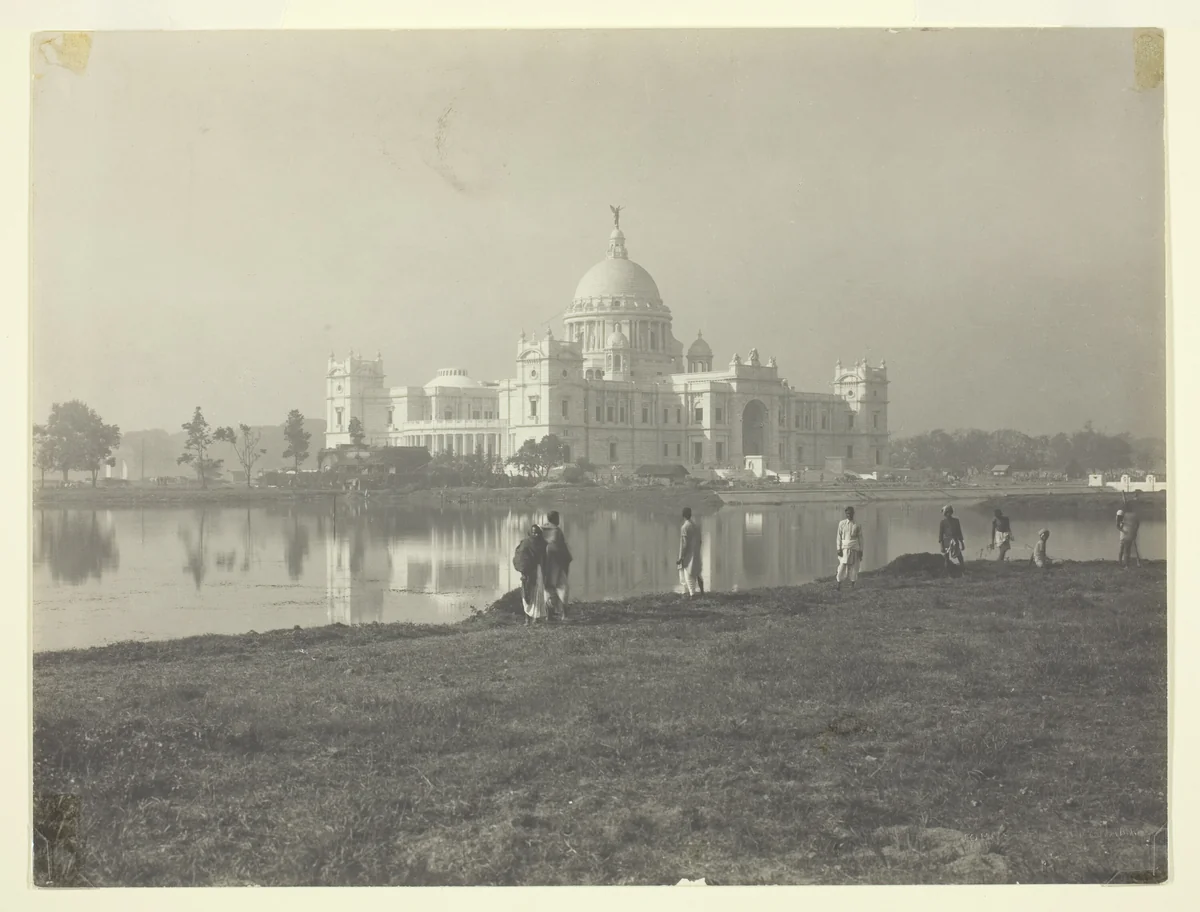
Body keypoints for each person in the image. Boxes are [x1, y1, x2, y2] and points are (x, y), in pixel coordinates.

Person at [512, 524, 548, 625]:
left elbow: (546, 558)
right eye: (533, 533)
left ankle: (535, 618)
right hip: (528, 572)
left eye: (537, 533)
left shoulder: (543, 544)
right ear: (530, 533)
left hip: (538, 571)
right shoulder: (525, 543)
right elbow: (520, 558)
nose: (535, 535)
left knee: (537, 594)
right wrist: (523, 571)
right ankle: (527, 619)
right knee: (526, 595)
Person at [541, 510, 572, 620]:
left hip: (545, 565)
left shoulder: (542, 530)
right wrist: (567, 559)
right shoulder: (557, 531)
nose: (559, 520)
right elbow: (561, 548)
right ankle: (564, 614)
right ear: (554, 519)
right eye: (558, 518)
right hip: (558, 563)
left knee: (548, 588)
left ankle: (549, 615)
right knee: (563, 588)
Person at [677, 507, 704, 596]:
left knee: (687, 574)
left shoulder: (684, 527)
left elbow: (684, 544)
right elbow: (700, 541)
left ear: (683, 516)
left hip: (688, 554)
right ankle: (702, 592)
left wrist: (681, 557)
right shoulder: (696, 526)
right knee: (697, 572)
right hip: (696, 552)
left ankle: (692, 594)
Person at [835, 505, 864, 591]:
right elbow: (838, 537)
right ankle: (838, 584)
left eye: (851, 513)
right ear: (846, 514)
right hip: (844, 548)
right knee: (842, 566)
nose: (849, 515)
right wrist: (838, 548)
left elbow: (860, 538)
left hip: (854, 547)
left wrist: (861, 550)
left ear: (853, 514)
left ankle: (852, 585)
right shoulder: (842, 523)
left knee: (854, 567)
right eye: (847, 514)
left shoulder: (857, 525)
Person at [938, 505, 966, 575]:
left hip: (955, 540)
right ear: (945, 514)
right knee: (946, 558)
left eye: (949, 512)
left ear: (951, 512)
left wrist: (962, 543)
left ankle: (963, 570)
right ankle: (947, 573)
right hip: (946, 541)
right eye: (947, 513)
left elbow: (959, 532)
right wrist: (941, 546)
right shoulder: (943, 522)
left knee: (959, 556)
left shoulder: (956, 521)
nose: (948, 514)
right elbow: (940, 535)